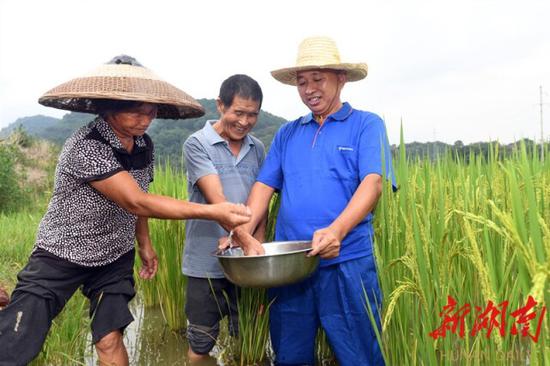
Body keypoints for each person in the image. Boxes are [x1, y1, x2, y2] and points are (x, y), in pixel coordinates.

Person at [0, 55, 251, 366]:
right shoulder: (86, 146)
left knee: (109, 337)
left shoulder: (143, 144)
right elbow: (135, 200)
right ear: (108, 106)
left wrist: (144, 243)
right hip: (61, 251)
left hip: (114, 256)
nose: (145, 119)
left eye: (151, 110)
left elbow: (140, 193)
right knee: (17, 337)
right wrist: (215, 212)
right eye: (135, 109)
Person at [226, 36, 396, 366]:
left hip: (347, 263)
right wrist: (241, 232)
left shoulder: (366, 125)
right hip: (291, 269)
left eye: (318, 79)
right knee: (290, 356)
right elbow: (263, 188)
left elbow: (372, 183)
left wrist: (337, 231)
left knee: (360, 355)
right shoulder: (288, 134)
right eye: (302, 82)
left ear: (341, 79)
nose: (309, 89)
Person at [182, 74, 266, 362]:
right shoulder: (197, 144)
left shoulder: (258, 148)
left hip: (247, 265)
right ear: (220, 105)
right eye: (238, 112)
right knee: (201, 342)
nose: (244, 122)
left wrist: (258, 247)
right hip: (205, 263)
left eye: (252, 115)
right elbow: (216, 199)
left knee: (250, 338)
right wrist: (243, 238)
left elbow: (261, 201)